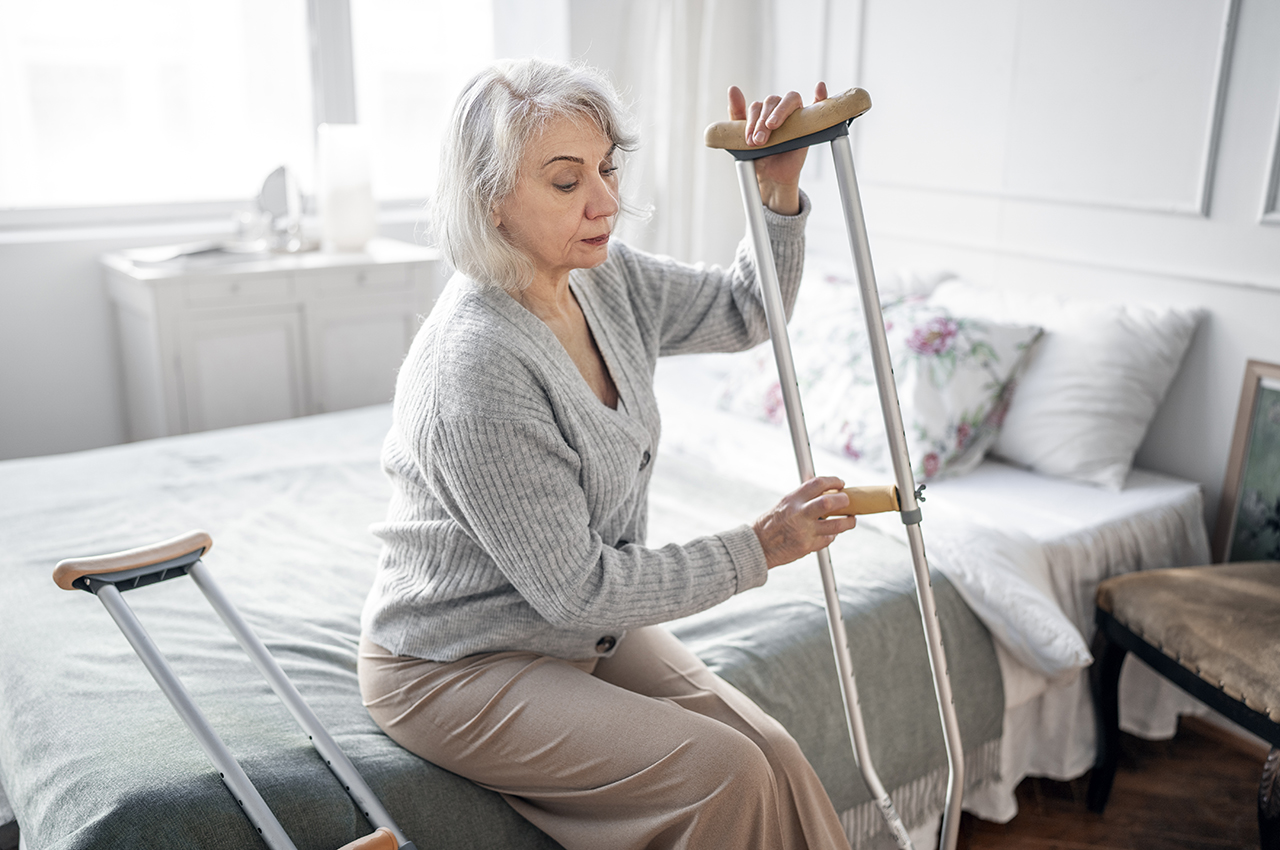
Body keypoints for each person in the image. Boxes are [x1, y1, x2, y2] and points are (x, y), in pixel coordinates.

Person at [358, 57, 858, 850]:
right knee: (724, 769)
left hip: (571, 626)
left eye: (607, 167)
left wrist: (776, 192)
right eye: (566, 182)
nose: (605, 201)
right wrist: (762, 546)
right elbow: (580, 591)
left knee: (773, 753)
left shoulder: (605, 278)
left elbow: (746, 309)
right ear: (491, 202)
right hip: (457, 663)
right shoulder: (473, 363)